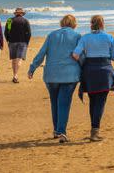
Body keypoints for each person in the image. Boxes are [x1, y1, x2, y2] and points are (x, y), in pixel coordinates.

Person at [28, 14, 82, 143]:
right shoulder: (77, 36)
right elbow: (80, 55)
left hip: (51, 75)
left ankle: (56, 130)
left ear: (62, 23)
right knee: (64, 103)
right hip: (69, 75)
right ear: (74, 24)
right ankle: (61, 131)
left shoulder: (52, 35)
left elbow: (42, 53)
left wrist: (32, 68)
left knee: (54, 102)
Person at [72, 15, 114, 142]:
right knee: (100, 102)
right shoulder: (109, 37)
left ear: (91, 24)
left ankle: (94, 130)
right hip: (105, 72)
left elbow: (75, 55)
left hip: (89, 72)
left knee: (93, 101)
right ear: (102, 24)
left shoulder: (85, 38)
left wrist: (85, 61)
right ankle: (94, 132)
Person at [5, 7, 32, 84]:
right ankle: (16, 75)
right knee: (19, 59)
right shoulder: (25, 21)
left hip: (12, 42)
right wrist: (27, 42)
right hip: (22, 42)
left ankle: (14, 75)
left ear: (16, 13)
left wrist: (8, 40)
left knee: (14, 59)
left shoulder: (10, 20)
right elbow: (29, 33)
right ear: (22, 14)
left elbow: (6, 31)